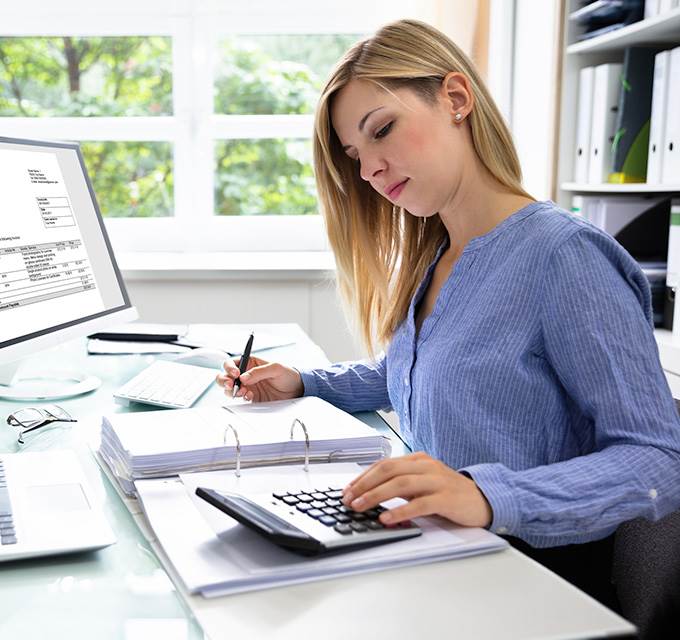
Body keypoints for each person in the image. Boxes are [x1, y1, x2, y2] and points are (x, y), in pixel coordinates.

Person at [216, 19, 680, 608]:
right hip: (437, 555)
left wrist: (486, 494)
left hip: (523, 585)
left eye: (381, 130)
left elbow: (658, 457)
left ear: (456, 99)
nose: (367, 172)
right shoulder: (439, 253)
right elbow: (425, 368)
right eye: (355, 155)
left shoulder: (563, 256)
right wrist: (304, 381)